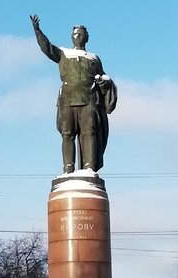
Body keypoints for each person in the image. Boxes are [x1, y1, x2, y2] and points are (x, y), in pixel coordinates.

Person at [30, 15, 117, 174]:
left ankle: (89, 168)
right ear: (72, 37)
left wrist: (105, 83)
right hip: (67, 101)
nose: (78, 37)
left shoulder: (94, 58)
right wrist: (37, 31)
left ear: (87, 38)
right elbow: (47, 47)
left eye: (81, 34)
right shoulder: (63, 53)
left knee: (88, 133)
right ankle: (68, 169)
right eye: (75, 34)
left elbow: (104, 77)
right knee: (67, 135)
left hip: (89, 101)